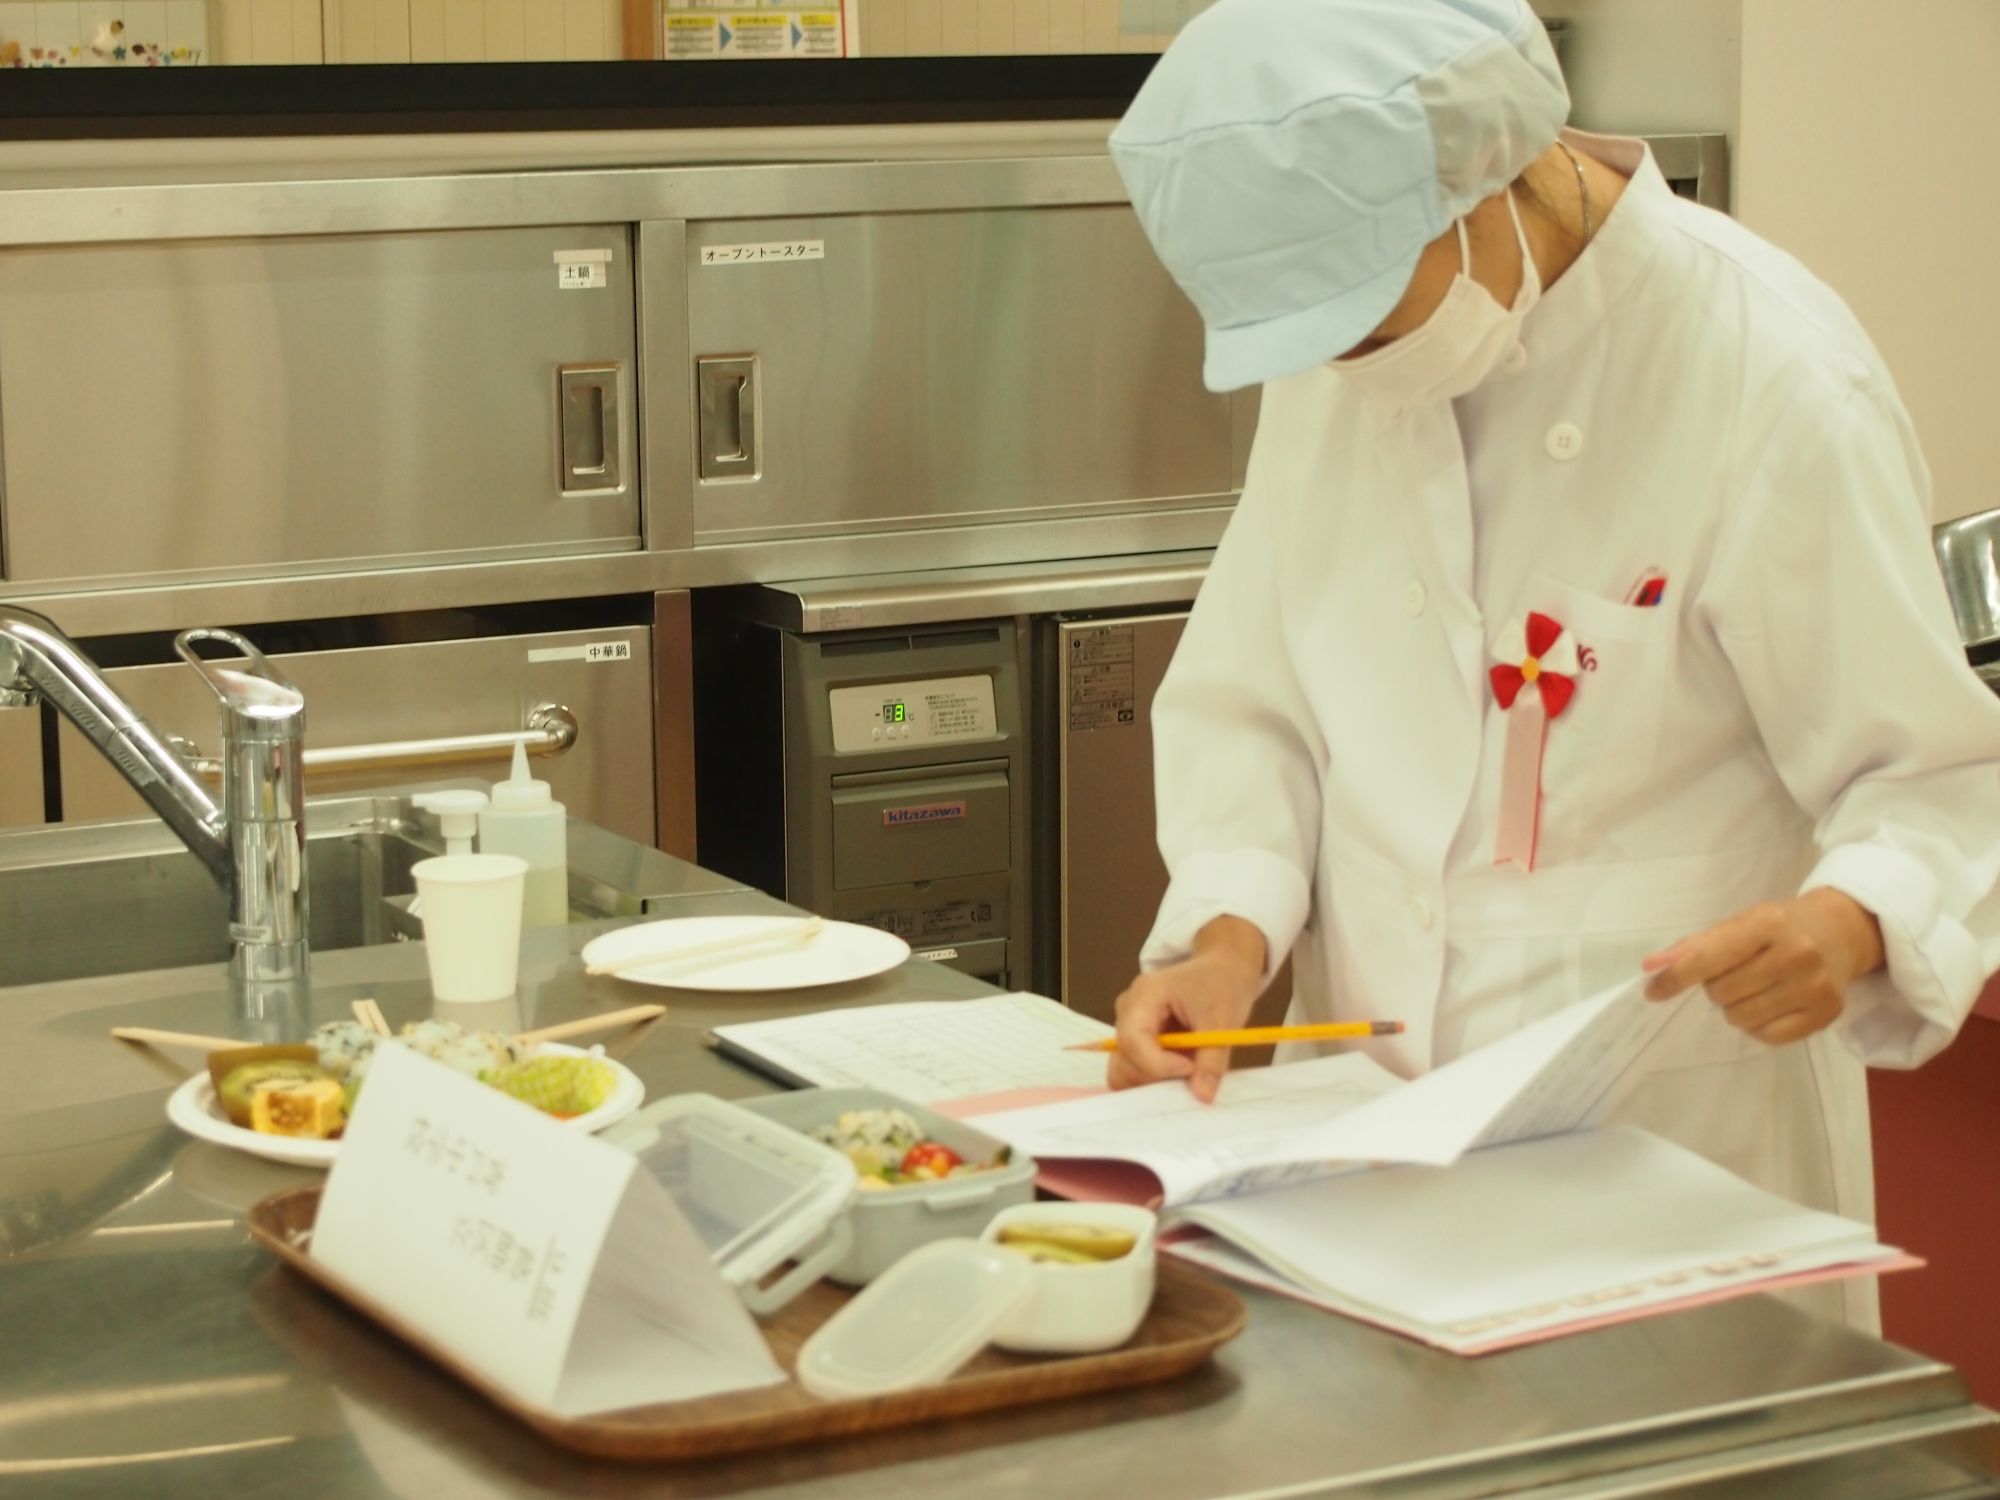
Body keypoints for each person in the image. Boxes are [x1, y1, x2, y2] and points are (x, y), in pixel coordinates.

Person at [1104, 0, 2000, 1330]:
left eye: (1364, 310)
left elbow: (1934, 779)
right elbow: (1261, 701)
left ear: (1489, 168)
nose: (1348, 359)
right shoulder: (1343, 365)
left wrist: (1851, 920)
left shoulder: (1772, 375)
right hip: (1367, 1160)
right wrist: (1231, 938)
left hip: (1676, 1165)